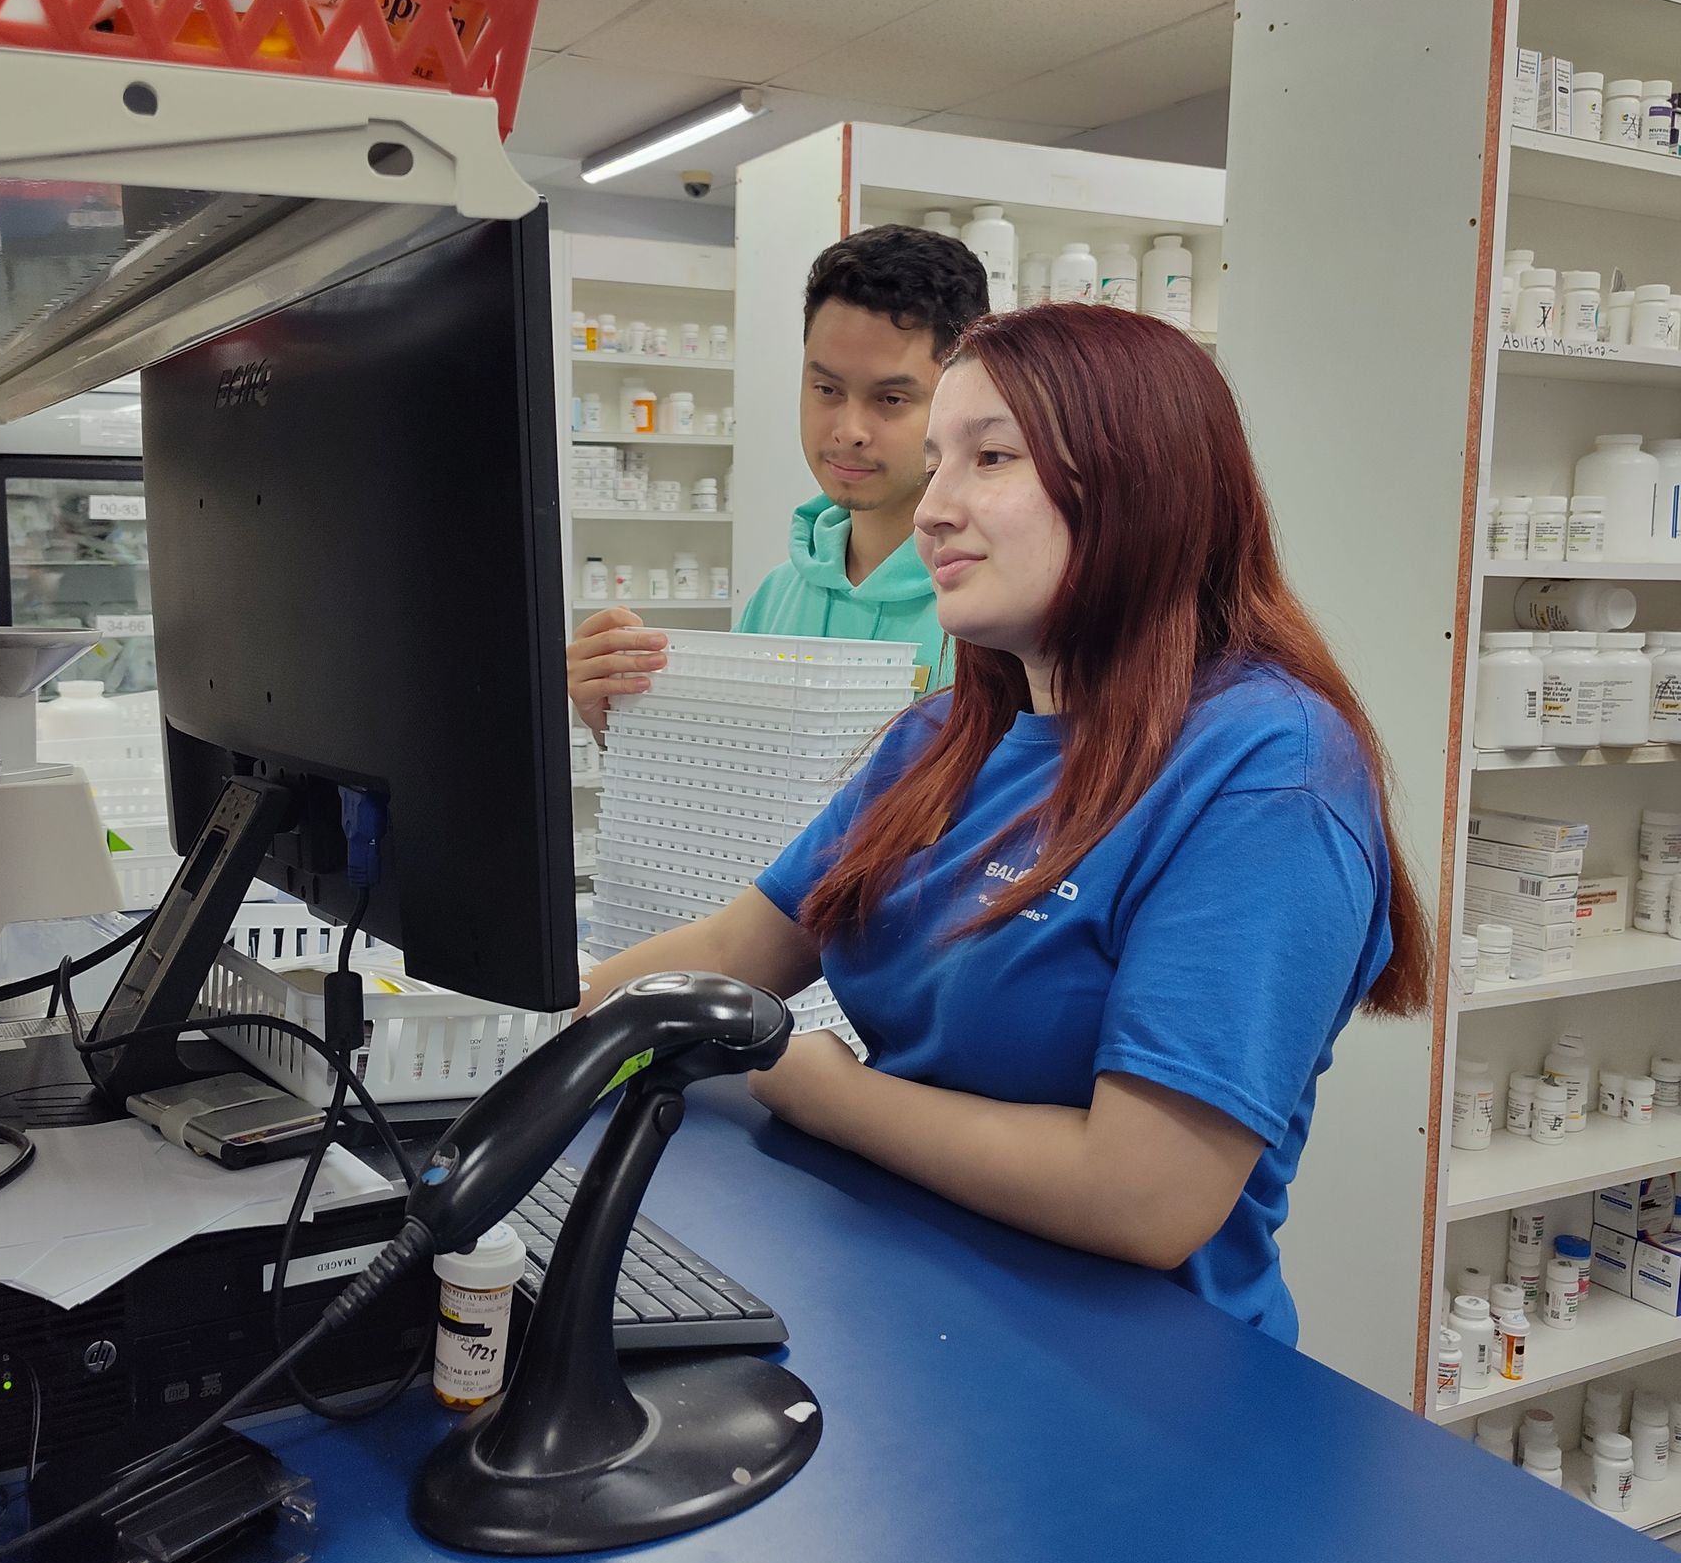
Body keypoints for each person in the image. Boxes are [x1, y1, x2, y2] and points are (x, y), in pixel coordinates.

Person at [580, 302, 1430, 1339]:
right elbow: (735, 948)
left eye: (990, 458)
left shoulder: (1269, 771)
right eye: (936, 461)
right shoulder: (944, 738)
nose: (932, 507)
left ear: (1139, 483)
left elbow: (1144, 1195)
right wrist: (531, 1010)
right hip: (899, 1290)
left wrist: (821, 1091)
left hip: (1131, 1374)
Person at [567, 225, 987, 743]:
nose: (848, 431)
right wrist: (623, 726)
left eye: (891, 399)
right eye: (827, 388)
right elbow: (741, 791)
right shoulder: (775, 599)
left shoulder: (990, 607)